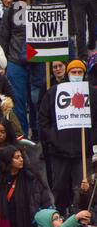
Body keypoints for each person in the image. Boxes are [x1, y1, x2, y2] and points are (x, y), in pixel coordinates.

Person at [38, 60, 97, 217]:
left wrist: (91, 141)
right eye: (73, 72)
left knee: (83, 189)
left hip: (82, 153)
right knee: (59, 188)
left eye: (80, 72)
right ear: (68, 73)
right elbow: (43, 119)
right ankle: (60, 217)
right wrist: (54, 139)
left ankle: (81, 220)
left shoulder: (92, 93)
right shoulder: (53, 92)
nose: (76, 75)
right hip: (59, 153)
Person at [0, 0, 45, 137]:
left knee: (38, 101)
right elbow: (4, 37)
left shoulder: (43, 7)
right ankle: (22, 137)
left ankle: (39, 135)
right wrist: (4, 63)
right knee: (18, 103)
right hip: (16, 61)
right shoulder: (11, 11)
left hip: (38, 61)